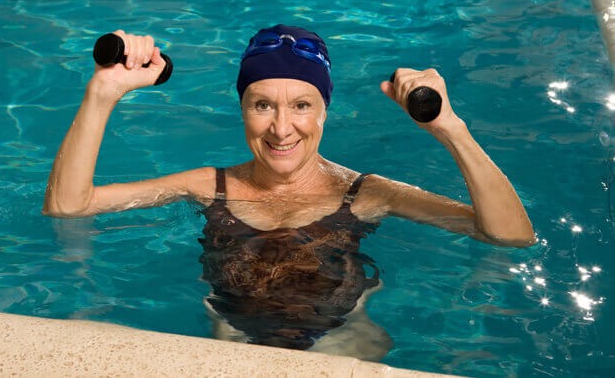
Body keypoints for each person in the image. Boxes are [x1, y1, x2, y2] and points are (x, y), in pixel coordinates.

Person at [43, 24, 536, 359]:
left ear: (324, 111)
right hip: (234, 352)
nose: (282, 129)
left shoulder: (366, 194)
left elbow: (509, 236)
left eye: (301, 105)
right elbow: (69, 207)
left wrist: (451, 128)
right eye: (262, 105)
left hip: (344, 349)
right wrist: (101, 94)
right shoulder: (207, 187)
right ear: (242, 109)